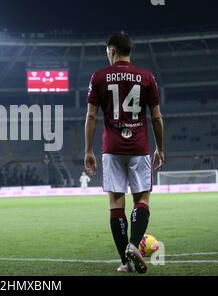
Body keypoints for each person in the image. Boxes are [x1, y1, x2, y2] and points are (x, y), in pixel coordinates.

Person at [84, 32, 164, 274]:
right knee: (142, 200)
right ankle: (133, 244)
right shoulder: (147, 77)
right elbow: (157, 117)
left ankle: (125, 261)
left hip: (112, 149)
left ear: (111, 51)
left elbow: (91, 116)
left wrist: (88, 150)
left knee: (115, 204)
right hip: (139, 148)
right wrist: (160, 148)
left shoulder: (98, 77)